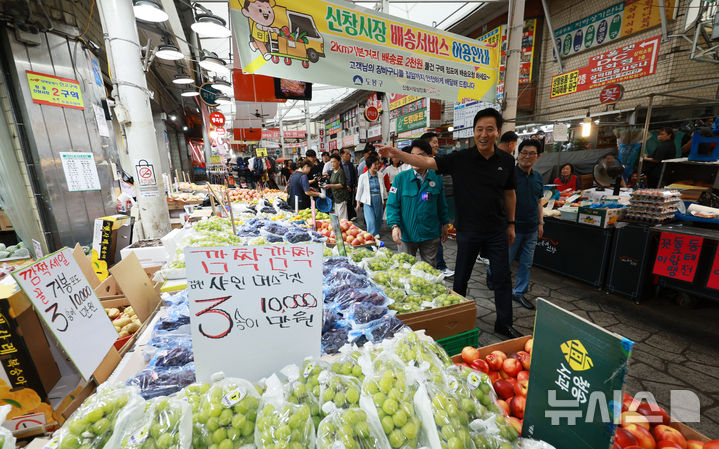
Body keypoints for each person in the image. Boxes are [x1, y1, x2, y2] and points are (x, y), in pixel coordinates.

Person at [379, 108, 520, 339]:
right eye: (479, 129)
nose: (483, 134)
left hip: (496, 229)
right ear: (473, 132)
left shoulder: (506, 160)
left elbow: (510, 194)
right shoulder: (460, 159)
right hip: (468, 229)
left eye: (489, 129)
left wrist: (511, 224)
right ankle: (455, 318)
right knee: (462, 277)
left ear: (498, 131)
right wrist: (399, 154)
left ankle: (503, 323)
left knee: (502, 277)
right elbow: (425, 160)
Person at [489, 139, 544, 310]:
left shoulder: (538, 177)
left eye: (531, 153)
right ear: (517, 154)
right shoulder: (508, 174)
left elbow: (539, 201)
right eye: (523, 153)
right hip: (512, 228)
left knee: (526, 263)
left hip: (532, 228)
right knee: (505, 260)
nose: (526, 156)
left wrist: (540, 222)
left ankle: (518, 292)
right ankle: (491, 273)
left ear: (538, 157)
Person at [386, 139, 449, 265]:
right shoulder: (400, 179)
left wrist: (445, 223)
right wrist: (394, 226)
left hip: (430, 234)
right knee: (405, 269)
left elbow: (441, 203)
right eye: (412, 156)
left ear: (430, 158)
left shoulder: (436, 178)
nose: (414, 159)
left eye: (419, 156)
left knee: (429, 270)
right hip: (407, 234)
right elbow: (392, 205)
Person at [421, 132, 453, 277]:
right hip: (413, 224)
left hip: (432, 221)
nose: (437, 145)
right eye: (434, 142)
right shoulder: (408, 172)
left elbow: (440, 200)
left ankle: (439, 267)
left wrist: (445, 222)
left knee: (433, 249)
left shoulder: (436, 170)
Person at [356, 154, 387, 237]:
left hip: (378, 199)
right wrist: (358, 203)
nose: (377, 166)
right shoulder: (363, 177)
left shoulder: (380, 175)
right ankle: (371, 235)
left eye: (378, 164)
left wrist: (385, 199)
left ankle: (376, 233)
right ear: (370, 165)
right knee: (371, 220)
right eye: (375, 164)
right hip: (368, 201)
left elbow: (383, 187)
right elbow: (359, 190)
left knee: (378, 219)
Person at [325, 154, 349, 219]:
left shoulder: (340, 172)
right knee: (338, 216)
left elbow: (341, 185)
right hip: (335, 197)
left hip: (341, 197)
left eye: (334, 161)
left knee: (343, 217)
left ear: (339, 162)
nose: (332, 164)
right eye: (331, 162)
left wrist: (329, 185)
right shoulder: (333, 171)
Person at [341, 148, 359, 218]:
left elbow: (354, 176)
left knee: (350, 201)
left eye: (349, 154)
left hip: (350, 187)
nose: (349, 156)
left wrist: (355, 186)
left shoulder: (351, 165)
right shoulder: (339, 165)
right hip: (342, 187)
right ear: (342, 155)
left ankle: (350, 216)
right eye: (347, 154)